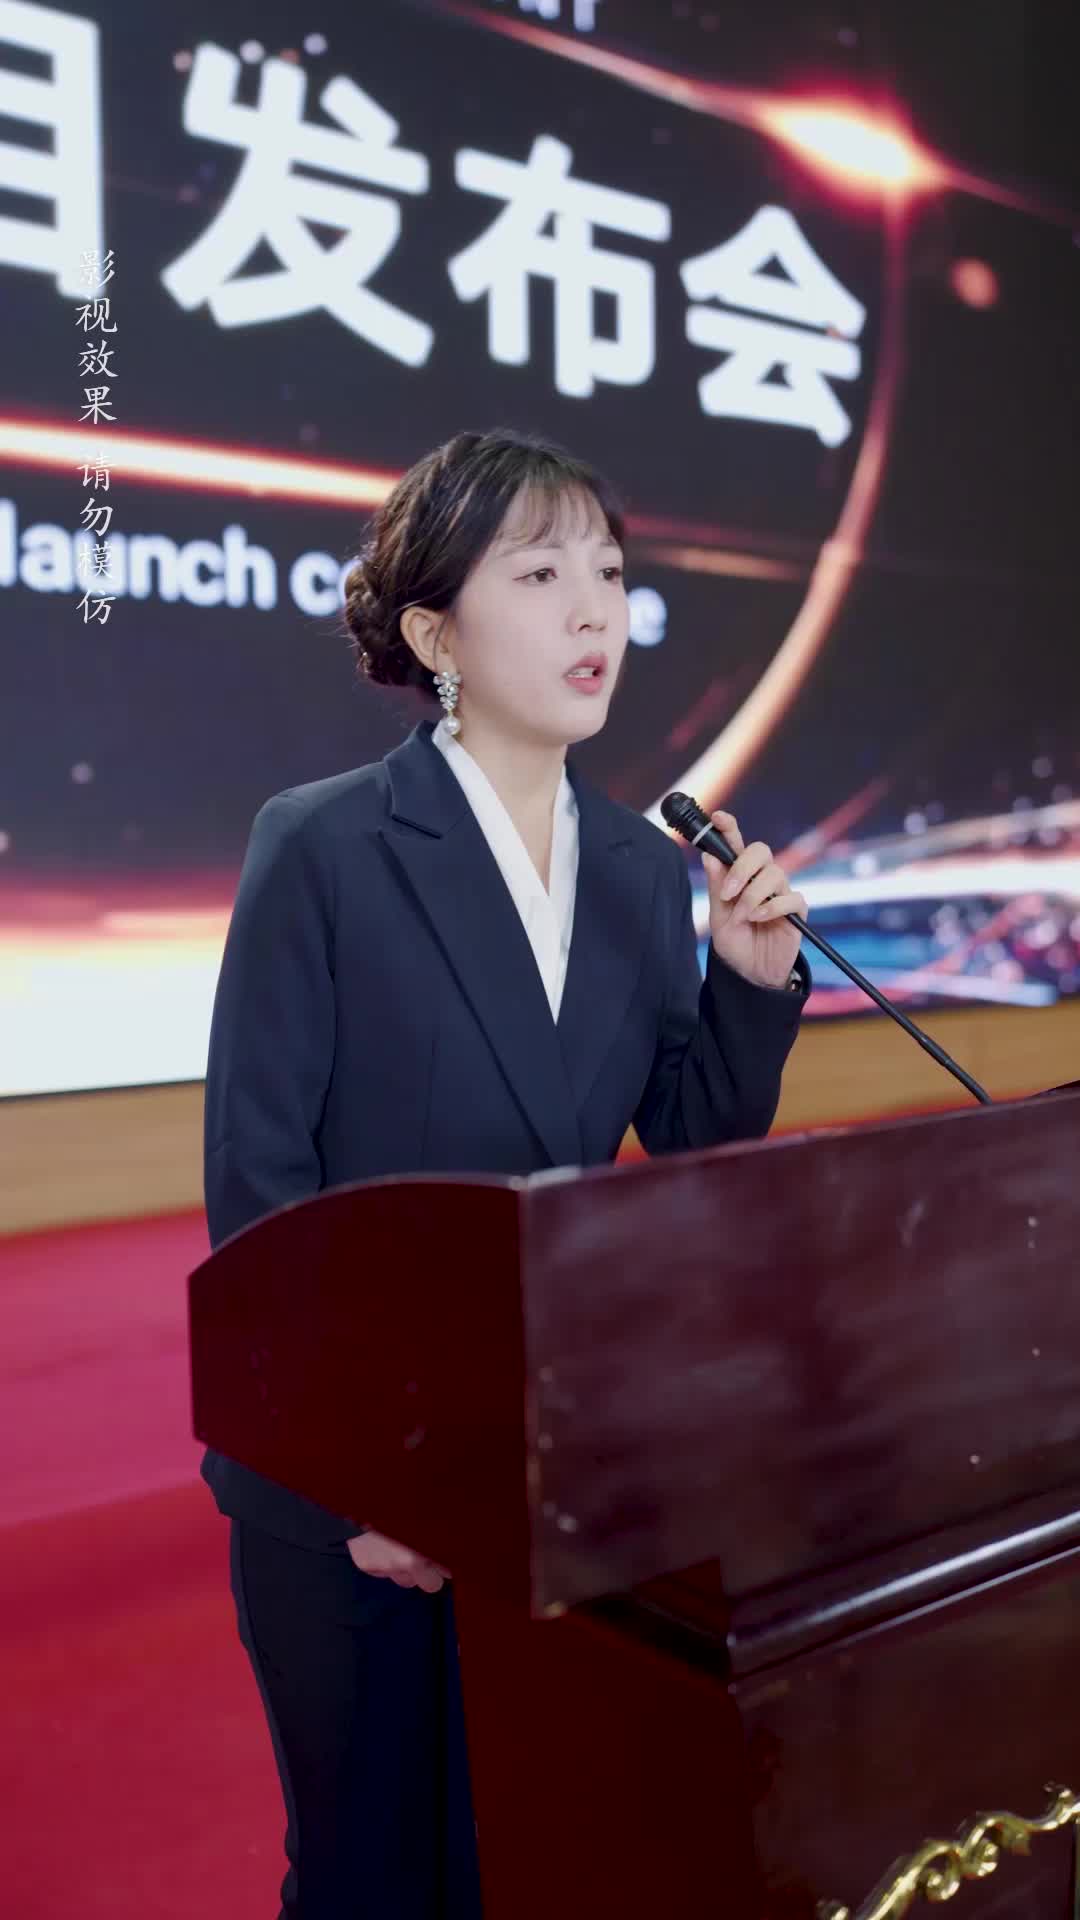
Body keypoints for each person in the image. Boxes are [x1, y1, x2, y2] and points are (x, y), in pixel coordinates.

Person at [201, 427, 811, 1918]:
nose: (594, 609)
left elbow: (688, 1148)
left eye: (606, 572)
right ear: (435, 637)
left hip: (552, 1480)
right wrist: (362, 1488)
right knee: (371, 1876)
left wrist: (747, 984)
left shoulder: (638, 869)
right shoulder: (326, 846)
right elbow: (261, 1199)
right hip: (356, 1498)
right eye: (540, 576)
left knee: (530, 1865)